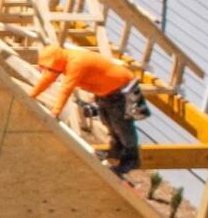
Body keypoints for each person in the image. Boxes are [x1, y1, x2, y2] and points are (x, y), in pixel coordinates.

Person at [30, 43, 144, 174]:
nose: (47, 70)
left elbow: (66, 89)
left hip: (123, 88)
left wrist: (55, 112)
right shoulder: (61, 62)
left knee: (122, 125)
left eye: (48, 66)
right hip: (107, 91)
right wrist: (31, 95)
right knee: (108, 122)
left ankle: (131, 159)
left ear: (56, 61)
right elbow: (47, 78)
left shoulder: (76, 63)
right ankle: (116, 152)